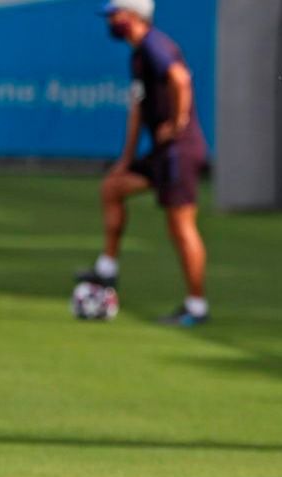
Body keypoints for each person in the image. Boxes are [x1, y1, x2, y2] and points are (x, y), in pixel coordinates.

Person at [79, 0, 209, 326]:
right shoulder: (138, 53)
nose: (110, 21)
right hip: (162, 153)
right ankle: (107, 269)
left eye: (115, 15)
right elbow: (138, 109)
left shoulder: (154, 45)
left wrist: (178, 122)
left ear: (133, 16)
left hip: (179, 151)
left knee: (181, 227)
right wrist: (126, 159)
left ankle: (196, 306)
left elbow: (180, 79)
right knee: (112, 187)